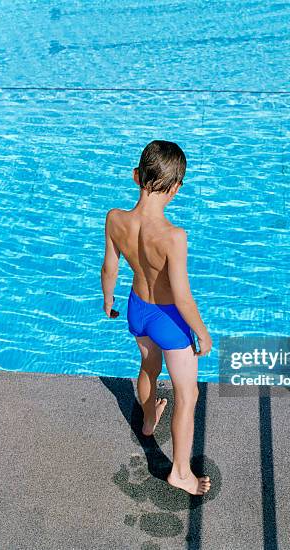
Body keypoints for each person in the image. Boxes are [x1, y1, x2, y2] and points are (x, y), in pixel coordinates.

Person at [100, 140, 212, 496]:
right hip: (168, 320)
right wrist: (201, 332)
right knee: (187, 394)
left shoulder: (115, 219)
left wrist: (108, 299)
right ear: (176, 188)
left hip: (137, 308)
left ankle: (148, 421)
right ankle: (180, 472)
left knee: (148, 368)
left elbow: (110, 266)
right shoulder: (173, 236)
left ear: (136, 176)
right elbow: (181, 296)